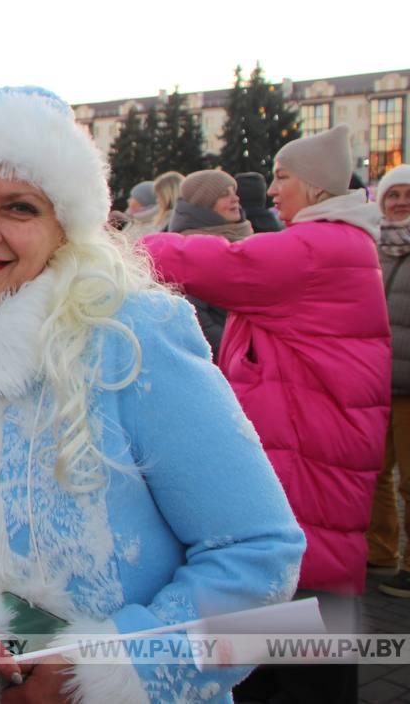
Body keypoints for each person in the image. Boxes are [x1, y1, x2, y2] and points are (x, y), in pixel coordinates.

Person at [0, 87, 304, 704]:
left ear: (63, 230)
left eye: (20, 207)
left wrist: (103, 670)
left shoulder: (131, 340)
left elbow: (260, 555)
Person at [143, 124, 389, 703]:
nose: (271, 191)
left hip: (305, 474)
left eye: (281, 177)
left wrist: (120, 244)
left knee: (296, 628)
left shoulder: (317, 248)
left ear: (317, 186)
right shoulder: (340, 245)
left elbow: (216, 264)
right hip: (312, 458)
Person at [368, 163, 410, 599]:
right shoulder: (375, 248)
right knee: (377, 473)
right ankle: (380, 552)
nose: (399, 204)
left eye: (407, 196)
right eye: (392, 195)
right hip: (380, 380)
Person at [162, 169, 252, 354]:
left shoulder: (244, 235)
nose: (235, 199)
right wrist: (239, 351)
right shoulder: (189, 248)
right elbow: (197, 316)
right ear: (205, 204)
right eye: (224, 195)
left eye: (234, 192)